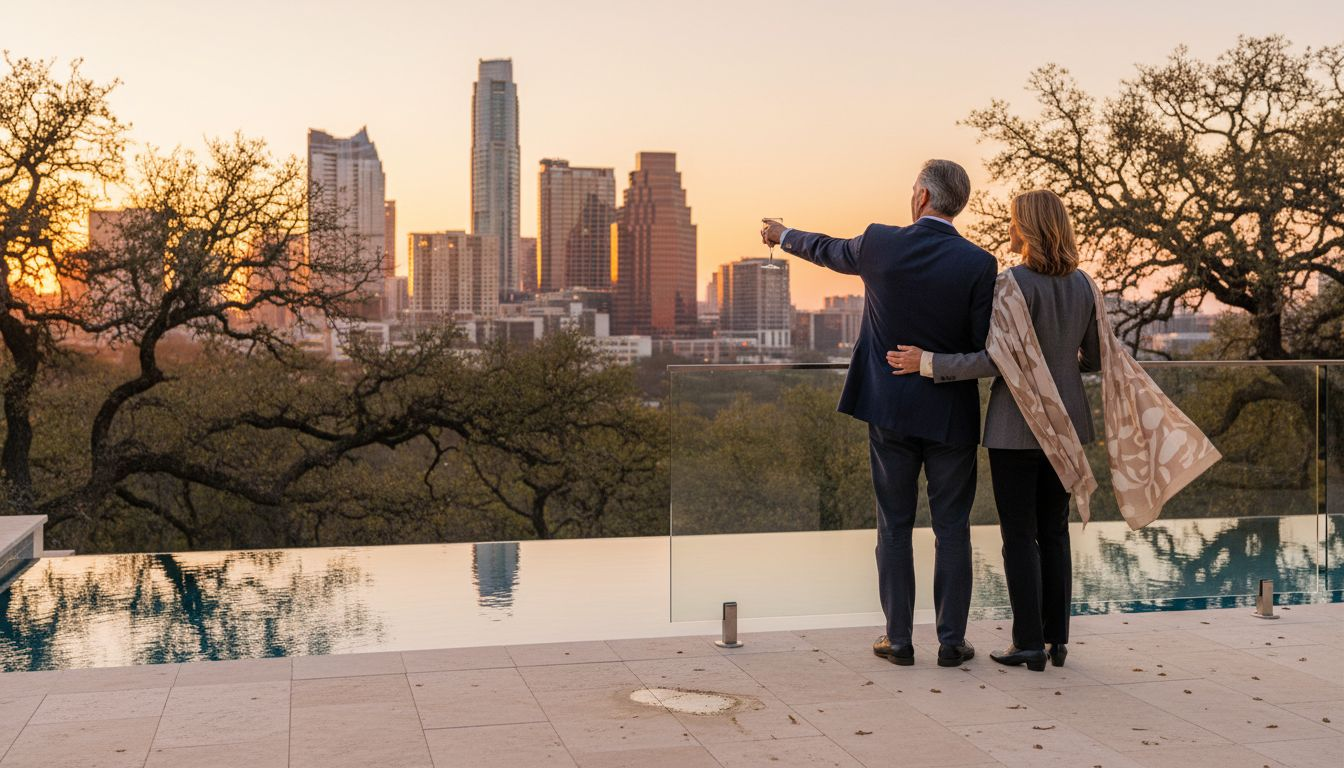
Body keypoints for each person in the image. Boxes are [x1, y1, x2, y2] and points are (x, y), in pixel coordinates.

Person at [760, 159, 997, 668]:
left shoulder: (881, 244)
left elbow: (825, 249)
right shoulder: (980, 264)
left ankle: (899, 640)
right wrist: (935, 366)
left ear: (922, 198)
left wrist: (783, 235)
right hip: (950, 416)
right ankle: (952, 643)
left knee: (893, 525)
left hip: (889, 411)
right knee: (952, 528)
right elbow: (984, 349)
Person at [887, 190, 1096, 671]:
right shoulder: (1084, 285)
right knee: (1055, 531)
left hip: (1016, 427)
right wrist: (1059, 367)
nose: (1009, 227)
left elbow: (992, 359)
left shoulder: (1012, 284)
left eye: (1013, 221)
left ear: (1026, 228)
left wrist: (928, 363)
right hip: (1066, 426)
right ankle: (1056, 641)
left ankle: (1027, 643)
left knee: (1020, 535)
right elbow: (1097, 357)